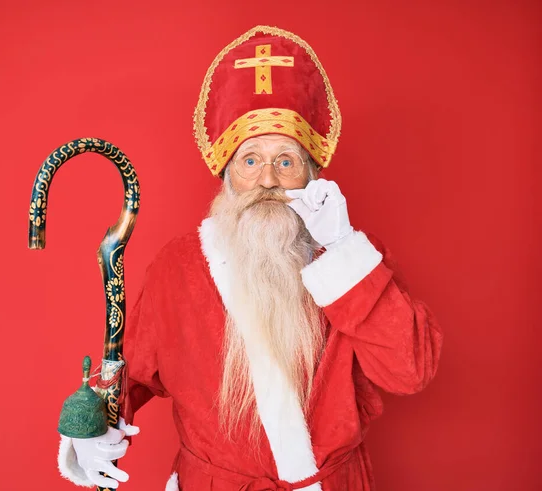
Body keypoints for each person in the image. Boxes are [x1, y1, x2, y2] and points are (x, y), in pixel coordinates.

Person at [57, 25, 443, 490]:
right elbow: (128, 377)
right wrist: (91, 427)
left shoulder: (353, 261)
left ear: (313, 175)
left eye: (286, 161)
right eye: (250, 160)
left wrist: (342, 248)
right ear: (226, 174)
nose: (267, 181)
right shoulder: (178, 267)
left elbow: (410, 370)